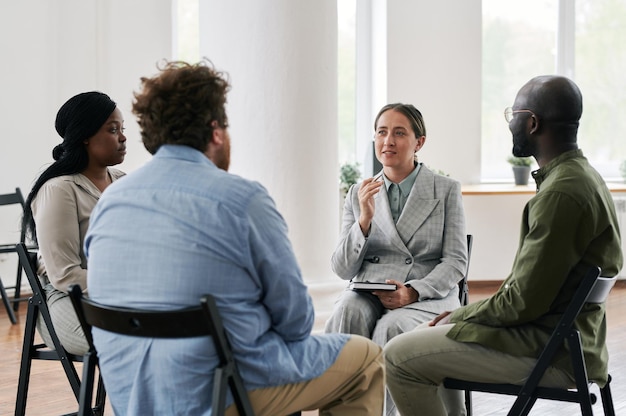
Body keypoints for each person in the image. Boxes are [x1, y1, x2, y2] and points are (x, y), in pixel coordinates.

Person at [83, 59, 384, 416]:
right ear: (216, 131)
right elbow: (297, 321)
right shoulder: (242, 200)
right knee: (366, 361)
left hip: (134, 396)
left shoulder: (110, 202)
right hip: (221, 394)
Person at [384, 75, 624, 416]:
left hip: (549, 352)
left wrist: (461, 314)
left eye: (514, 113)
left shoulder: (560, 193)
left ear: (532, 122)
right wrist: (460, 318)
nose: (510, 122)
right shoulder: (582, 177)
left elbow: (522, 302)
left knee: (398, 356)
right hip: (568, 341)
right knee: (426, 347)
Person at [325, 103, 468, 415]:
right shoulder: (358, 193)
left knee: (392, 327)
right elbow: (341, 268)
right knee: (347, 312)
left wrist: (413, 291)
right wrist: (363, 220)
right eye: (381, 132)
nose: (387, 141)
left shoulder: (445, 190)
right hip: (370, 290)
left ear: (419, 142)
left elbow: (456, 261)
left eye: (399, 133)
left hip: (427, 295)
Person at [21, 91, 126, 355]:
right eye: (113, 130)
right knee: (129, 340)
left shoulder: (124, 181)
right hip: (68, 299)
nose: (123, 138)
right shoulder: (59, 189)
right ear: (86, 136)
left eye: (123, 129)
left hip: (118, 294)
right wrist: (126, 285)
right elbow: (65, 275)